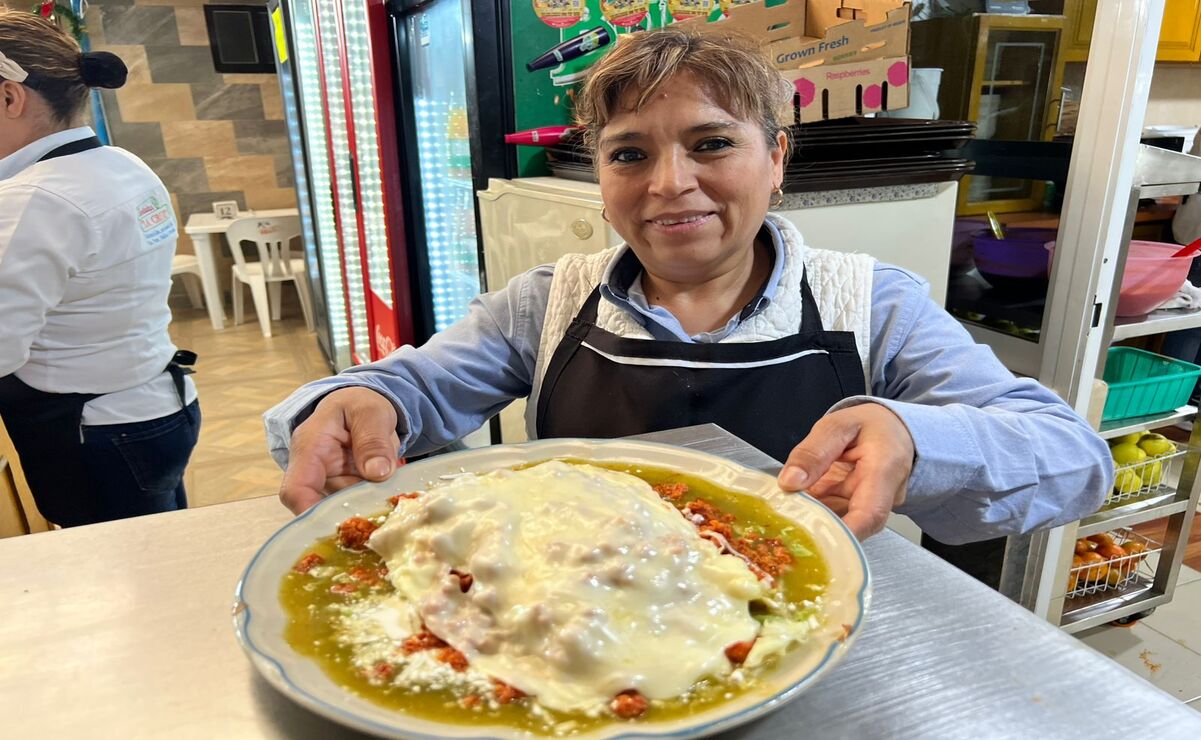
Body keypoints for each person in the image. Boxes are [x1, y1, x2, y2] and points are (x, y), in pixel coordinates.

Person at [264, 26, 1112, 582]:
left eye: (712, 143)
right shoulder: (545, 303)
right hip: (579, 626)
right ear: (600, 182)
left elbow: (1074, 460)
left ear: (777, 159)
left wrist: (915, 436)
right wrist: (355, 402)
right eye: (629, 154)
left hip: (797, 629)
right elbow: (407, 393)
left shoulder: (871, 305)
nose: (670, 185)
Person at [0, 11, 200, 527]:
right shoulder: (122, 165)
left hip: (100, 432)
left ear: (9, 97)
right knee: (165, 547)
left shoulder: (32, 198)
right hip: (161, 406)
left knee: (130, 577)